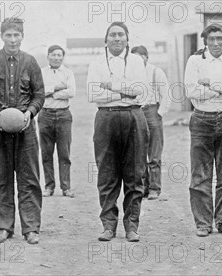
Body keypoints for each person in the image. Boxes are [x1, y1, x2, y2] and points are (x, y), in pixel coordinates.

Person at [0, 17, 45, 244]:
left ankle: (31, 228)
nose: (13, 39)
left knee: (29, 178)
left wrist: (29, 113)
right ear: (1, 36)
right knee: (0, 179)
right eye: (8, 35)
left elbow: (39, 94)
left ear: (22, 36)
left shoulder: (31, 62)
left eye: (17, 35)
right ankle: (4, 227)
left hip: (25, 130)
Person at [86, 22, 148, 242]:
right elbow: (93, 94)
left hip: (133, 116)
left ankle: (132, 226)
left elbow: (140, 92)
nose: (117, 38)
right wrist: (125, 91)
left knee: (134, 173)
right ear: (106, 40)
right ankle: (108, 225)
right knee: (107, 173)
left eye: (121, 34)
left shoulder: (136, 61)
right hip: (106, 118)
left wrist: (111, 87)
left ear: (127, 39)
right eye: (112, 35)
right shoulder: (96, 63)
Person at [185, 23, 222, 238]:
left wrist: (209, 84)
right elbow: (191, 91)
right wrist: (221, 89)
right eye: (212, 39)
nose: (216, 43)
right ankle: (203, 223)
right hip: (202, 119)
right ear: (205, 42)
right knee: (200, 174)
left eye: (220, 38)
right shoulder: (195, 61)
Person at [130, 45, 171, 200]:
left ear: (146, 57)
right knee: (137, 153)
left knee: (154, 154)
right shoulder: (130, 73)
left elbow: (166, 95)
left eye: (141, 57)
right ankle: (142, 188)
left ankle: (154, 188)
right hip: (136, 111)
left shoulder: (156, 72)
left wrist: (159, 113)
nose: (138, 61)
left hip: (152, 111)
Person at [39, 45, 76, 198]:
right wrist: (57, 87)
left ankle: (66, 187)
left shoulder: (68, 73)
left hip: (63, 115)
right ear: (48, 56)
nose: (56, 58)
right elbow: (38, 91)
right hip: (45, 115)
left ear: (63, 57)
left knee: (64, 153)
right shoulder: (41, 72)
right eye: (53, 55)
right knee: (46, 153)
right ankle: (49, 186)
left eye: (59, 55)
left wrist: (51, 93)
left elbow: (71, 92)